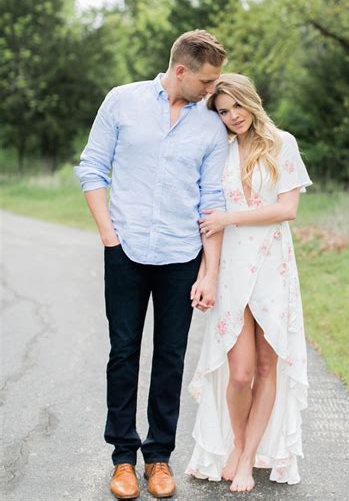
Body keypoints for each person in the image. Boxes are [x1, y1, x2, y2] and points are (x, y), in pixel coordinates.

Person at [74, 30, 228, 500]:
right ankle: (123, 457)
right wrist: (109, 236)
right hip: (126, 249)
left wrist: (210, 272)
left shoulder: (211, 126)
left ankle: (159, 456)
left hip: (182, 254)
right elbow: (92, 167)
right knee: (123, 352)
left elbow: (212, 199)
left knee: (170, 356)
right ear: (181, 71)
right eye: (206, 81)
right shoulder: (122, 101)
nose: (212, 90)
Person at [185, 73, 312, 493]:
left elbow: (287, 209)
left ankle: (248, 456)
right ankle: (239, 444)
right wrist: (207, 273)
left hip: (273, 265)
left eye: (237, 105)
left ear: (251, 101)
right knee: (239, 373)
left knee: (265, 366)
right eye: (223, 111)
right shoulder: (220, 151)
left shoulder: (281, 143)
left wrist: (230, 217)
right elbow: (209, 218)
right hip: (232, 268)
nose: (232, 116)